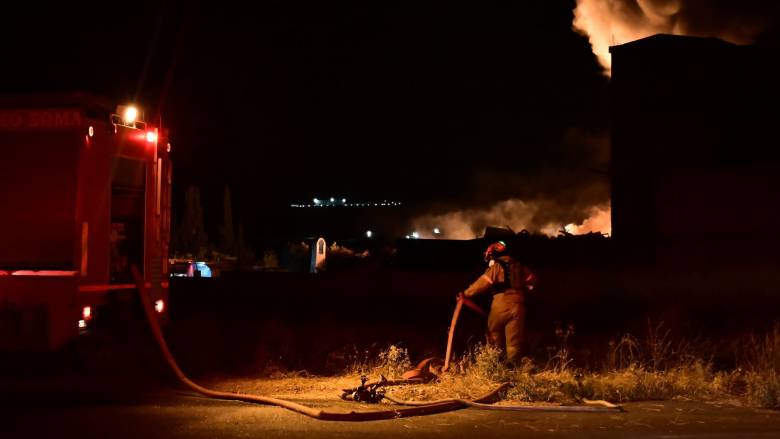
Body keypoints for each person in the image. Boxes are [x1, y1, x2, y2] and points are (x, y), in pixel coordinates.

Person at [459, 240, 537, 367]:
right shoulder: (520, 266)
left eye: (489, 257)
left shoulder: (496, 267)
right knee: (514, 341)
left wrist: (465, 294)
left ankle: (495, 365)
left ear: (494, 255)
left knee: (493, 333)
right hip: (518, 306)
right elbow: (532, 281)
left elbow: (481, 284)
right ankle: (513, 368)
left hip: (501, 304)